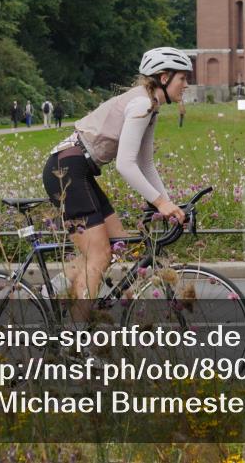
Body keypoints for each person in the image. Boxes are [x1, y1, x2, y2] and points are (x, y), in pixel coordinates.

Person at [42, 47, 192, 321]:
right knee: (98, 254)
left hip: (79, 170)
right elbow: (126, 165)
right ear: (164, 77)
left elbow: (146, 164)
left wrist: (168, 204)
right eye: (183, 78)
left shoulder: (150, 106)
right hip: (67, 169)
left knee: (117, 244)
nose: (186, 85)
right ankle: (75, 343)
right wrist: (161, 203)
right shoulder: (141, 105)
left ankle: (52, 289)